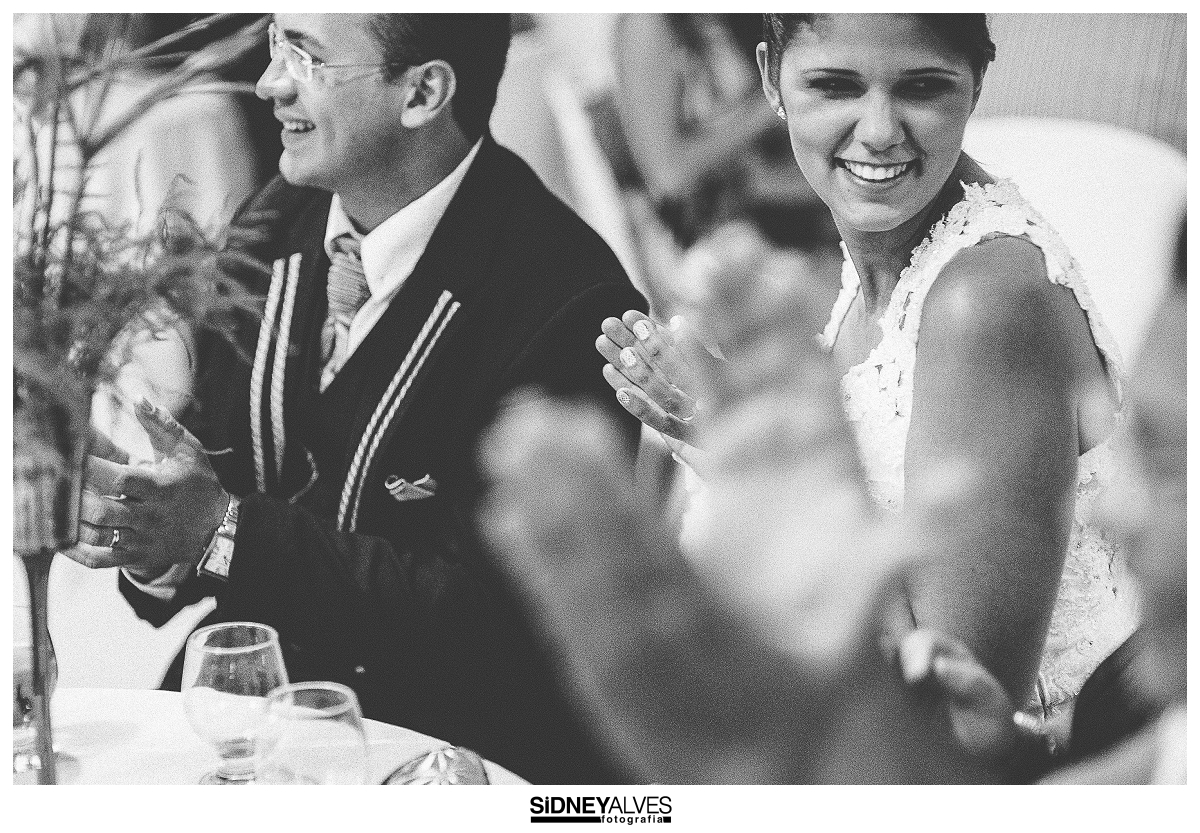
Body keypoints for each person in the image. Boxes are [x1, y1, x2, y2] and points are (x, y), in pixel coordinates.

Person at [65, 13, 646, 785]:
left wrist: (223, 529)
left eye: (306, 57)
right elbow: (216, 467)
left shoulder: (567, 301)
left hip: (450, 749)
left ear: (423, 92)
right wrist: (154, 528)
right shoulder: (274, 222)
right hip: (257, 709)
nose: (269, 84)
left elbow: (498, 622)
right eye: (277, 43)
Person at [596, 13, 1137, 731]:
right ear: (771, 81)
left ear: (976, 85)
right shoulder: (882, 258)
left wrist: (760, 457)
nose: (880, 131)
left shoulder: (980, 308)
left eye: (921, 88)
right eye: (835, 86)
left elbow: (958, 714)